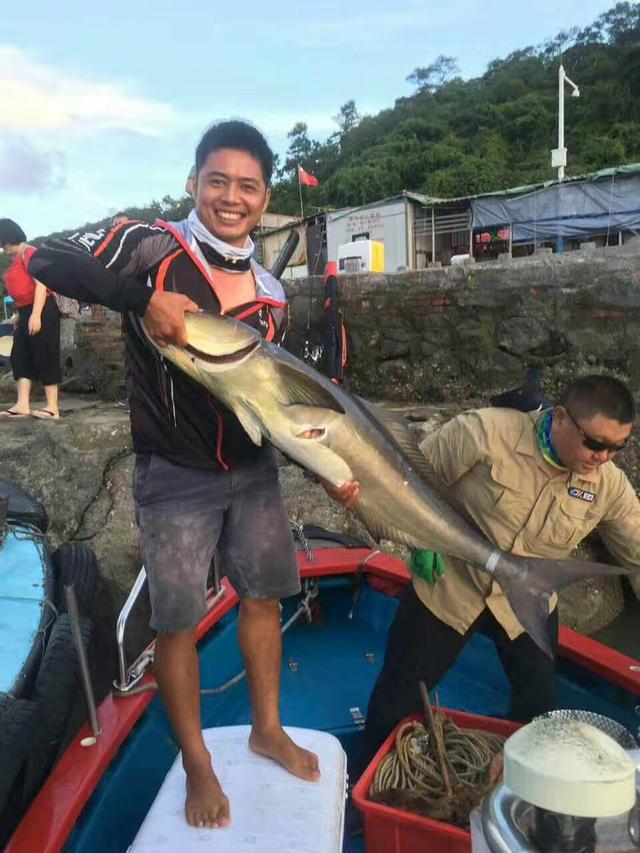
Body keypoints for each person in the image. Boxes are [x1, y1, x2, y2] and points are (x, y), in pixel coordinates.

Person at [28, 120, 320, 830]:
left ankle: (267, 727)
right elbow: (43, 261)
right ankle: (196, 760)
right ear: (193, 183)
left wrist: (327, 463)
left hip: (255, 473)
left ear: (265, 196)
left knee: (263, 601)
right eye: (216, 180)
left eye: (246, 185)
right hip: (174, 476)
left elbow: (272, 401)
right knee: (178, 626)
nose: (230, 196)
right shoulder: (150, 243)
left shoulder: (271, 292)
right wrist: (139, 299)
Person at [336, 374, 640, 775]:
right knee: (398, 696)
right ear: (562, 417)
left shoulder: (609, 486)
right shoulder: (482, 432)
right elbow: (403, 482)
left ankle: (515, 787)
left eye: (617, 448)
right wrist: (418, 542)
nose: (604, 457)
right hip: (451, 587)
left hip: (527, 602)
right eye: (595, 443)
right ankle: (364, 783)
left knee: (539, 707)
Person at [0, 218, 61, 419]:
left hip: (43, 309)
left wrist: (35, 314)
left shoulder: (30, 253)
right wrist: (21, 315)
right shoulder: (16, 259)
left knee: (45, 353)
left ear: (9, 238)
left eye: (3, 244)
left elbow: (41, 285)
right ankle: (22, 404)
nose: (3, 248)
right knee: (19, 354)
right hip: (26, 311)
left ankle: (52, 407)